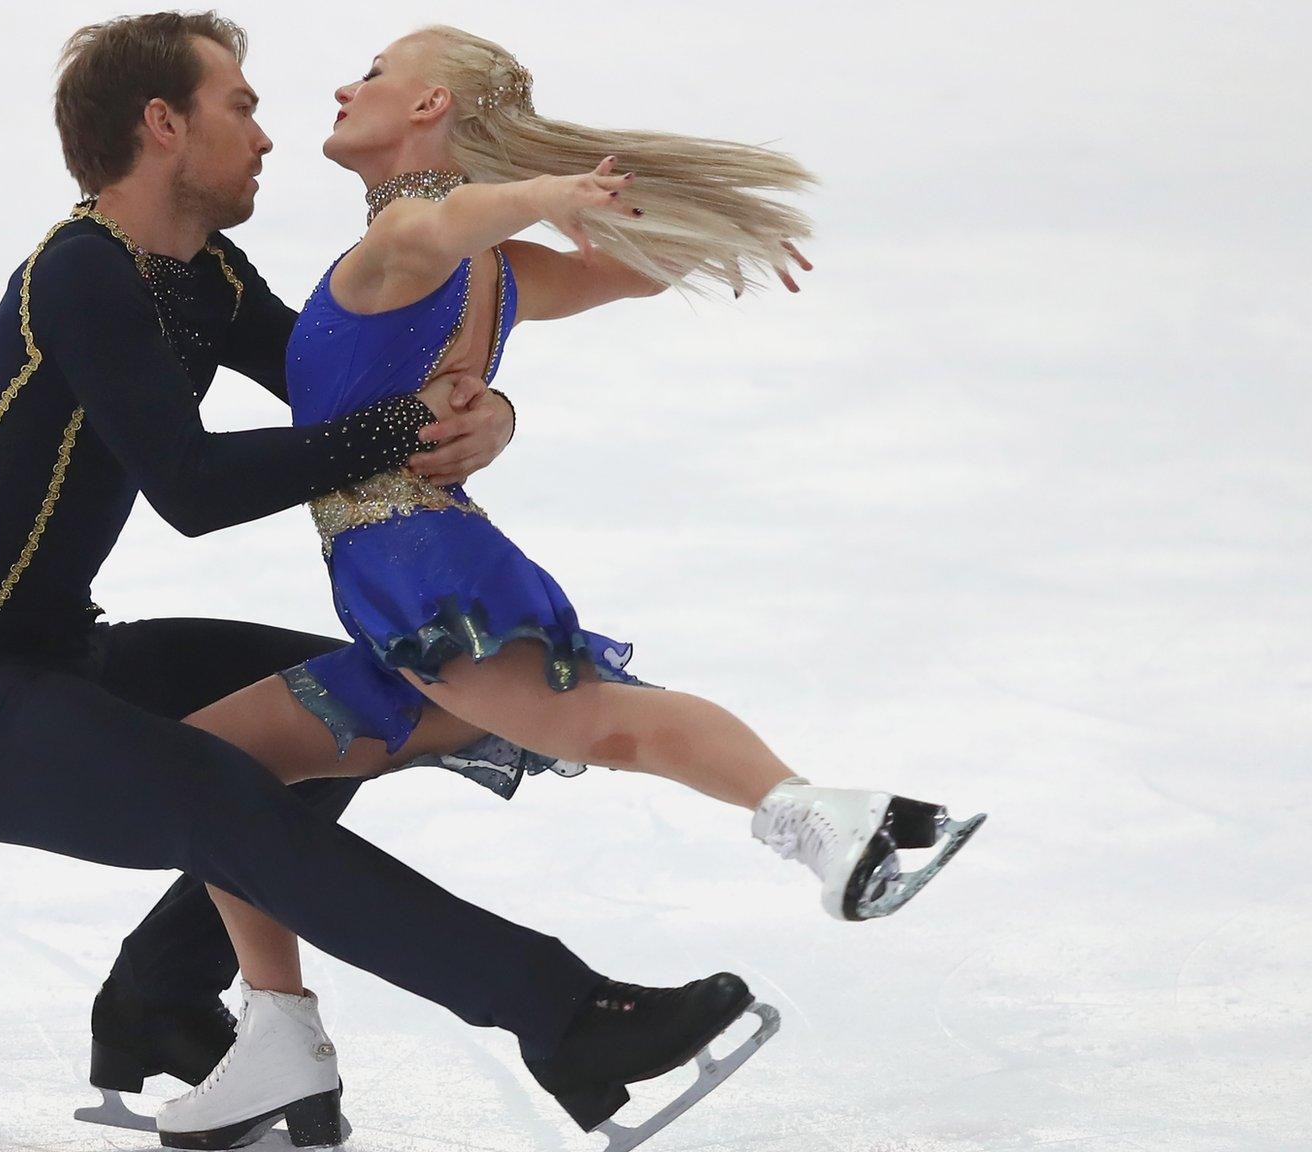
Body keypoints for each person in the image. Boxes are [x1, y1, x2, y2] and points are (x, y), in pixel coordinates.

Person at [0, 12, 774, 1151]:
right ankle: (562, 1015)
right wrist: (397, 425)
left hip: (64, 658)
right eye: (241, 106)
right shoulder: (81, 275)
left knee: (346, 697)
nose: (266, 135)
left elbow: (340, 395)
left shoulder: (198, 274)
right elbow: (192, 484)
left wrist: (488, 416)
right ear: (163, 125)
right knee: (226, 798)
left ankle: (156, 1003)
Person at [151, 24, 984, 1148]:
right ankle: (276, 1037)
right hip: (402, 584)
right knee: (216, 767)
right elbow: (627, 272)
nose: (345, 87)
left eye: (376, 75)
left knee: (601, 722)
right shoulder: (480, 267)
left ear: (429, 106)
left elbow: (450, 217)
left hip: (423, 573)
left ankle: (829, 823)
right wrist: (672, 223)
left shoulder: (418, 236)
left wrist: (545, 187)